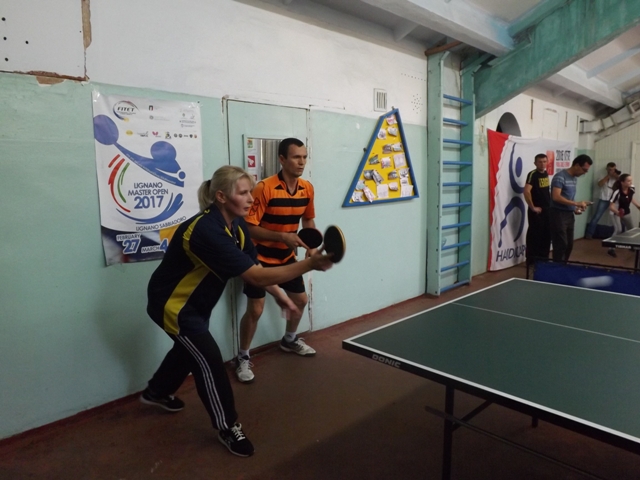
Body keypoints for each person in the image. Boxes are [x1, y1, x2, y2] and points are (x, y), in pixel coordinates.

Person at [140, 165, 333, 458]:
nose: (251, 199)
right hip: (172, 305)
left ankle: (156, 391)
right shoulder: (205, 230)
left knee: (187, 349)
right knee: (208, 360)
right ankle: (228, 426)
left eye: (250, 192)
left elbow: (253, 267)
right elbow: (256, 276)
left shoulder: (237, 226)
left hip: (196, 303)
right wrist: (309, 264)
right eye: (243, 193)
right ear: (221, 196)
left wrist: (280, 296)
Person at [236, 138, 317, 384]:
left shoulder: (307, 188)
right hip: (258, 258)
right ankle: (242, 357)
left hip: (286, 258)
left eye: (304, 157)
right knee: (256, 309)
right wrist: (282, 236)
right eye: (296, 157)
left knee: (300, 300)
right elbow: (248, 227)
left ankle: (289, 340)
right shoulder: (264, 188)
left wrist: (311, 246)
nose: (301, 162)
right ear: (282, 159)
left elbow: (308, 220)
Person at [550, 154, 593, 262]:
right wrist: (576, 204)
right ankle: (557, 267)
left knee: (569, 244)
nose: (585, 173)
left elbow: (568, 197)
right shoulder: (560, 176)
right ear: (577, 165)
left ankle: (563, 266)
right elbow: (556, 197)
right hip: (558, 214)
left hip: (569, 215)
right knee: (561, 244)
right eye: (584, 170)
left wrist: (574, 208)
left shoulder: (574, 179)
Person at [524, 153, 551, 266]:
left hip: (547, 209)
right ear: (535, 163)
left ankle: (543, 259)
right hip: (537, 211)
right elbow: (526, 191)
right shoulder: (532, 174)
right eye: (540, 162)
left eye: (544, 161)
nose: (542, 164)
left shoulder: (546, 173)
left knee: (546, 235)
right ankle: (531, 260)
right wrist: (532, 207)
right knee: (534, 235)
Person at [607, 173, 640, 257]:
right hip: (615, 212)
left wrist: (638, 206)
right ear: (622, 182)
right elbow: (611, 206)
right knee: (618, 229)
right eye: (628, 181)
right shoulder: (617, 192)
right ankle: (611, 248)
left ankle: (631, 246)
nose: (630, 182)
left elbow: (630, 198)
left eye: (631, 180)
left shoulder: (632, 188)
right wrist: (618, 212)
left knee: (631, 229)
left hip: (626, 212)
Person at [585, 162, 619, 239]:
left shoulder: (617, 175)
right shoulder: (602, 175)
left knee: (617, 217)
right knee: (597, 216)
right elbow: (600, 184)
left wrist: (616, 176)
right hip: (604, 198)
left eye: (613, 169)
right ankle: (589, 234)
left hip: (614, 200)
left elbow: (622, 184)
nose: (612, 171)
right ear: (607, 169)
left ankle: (619, 234)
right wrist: (609, 175)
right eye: (610, 169)